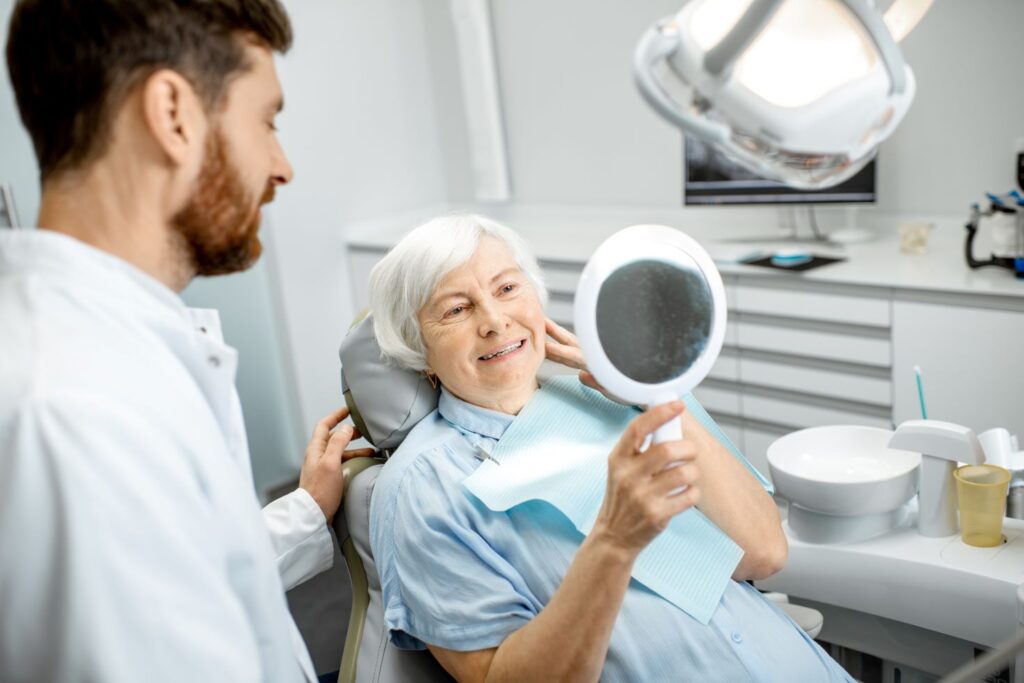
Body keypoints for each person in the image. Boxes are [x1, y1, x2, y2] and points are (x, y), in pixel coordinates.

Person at [0, 1, 371, 681]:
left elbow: (180, 565)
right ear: (173, 114)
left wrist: (304, 514)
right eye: (267, 120)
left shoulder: (105, 354)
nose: (282, 166)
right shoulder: (78, 416)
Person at [366, 214, 855, 682]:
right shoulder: (420, 486)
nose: (494, 320)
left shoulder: (624, 397)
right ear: (418, 350)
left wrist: (652, 392)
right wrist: (614, 541)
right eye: (456, 309)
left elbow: (765, 554)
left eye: (508, 288)